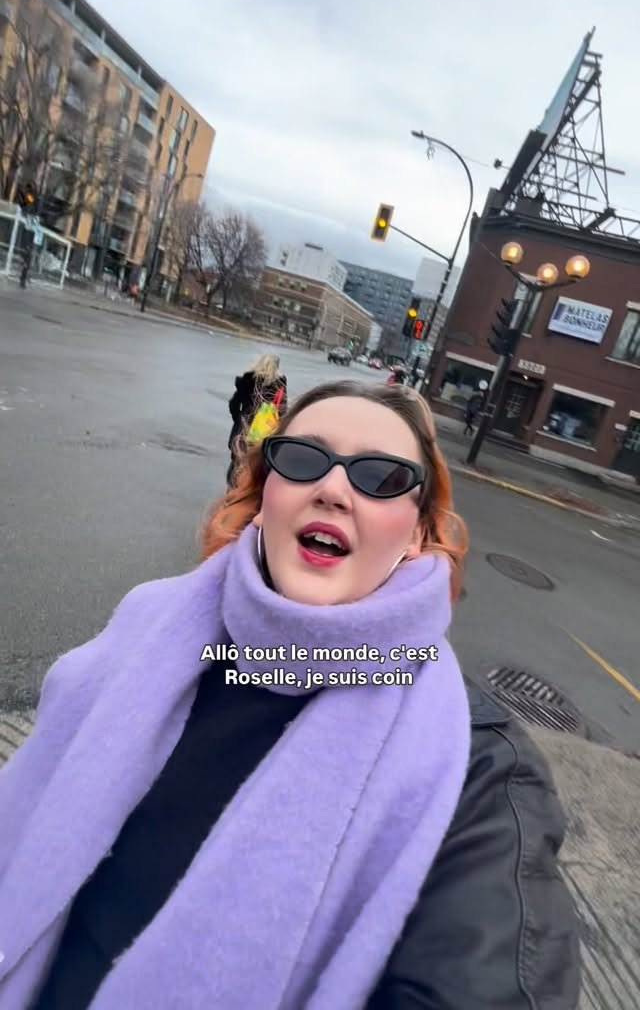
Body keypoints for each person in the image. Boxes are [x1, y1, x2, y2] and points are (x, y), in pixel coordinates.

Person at [0, 380, 580, 1009]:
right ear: (263, 497)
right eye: (303, 459)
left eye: (381, 477)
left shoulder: (481, 769)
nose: (332, 489)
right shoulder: (145, 629)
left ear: (417, 533)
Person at [227, 352, 287, 486]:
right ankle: (246, 490)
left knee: (237, 463)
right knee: (255, 465)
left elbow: (234, 403)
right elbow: (282, 409)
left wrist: (238, 418)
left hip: (244, 427)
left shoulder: (248, 379)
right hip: (264, 430)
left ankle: (232, 490)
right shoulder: (279, 383)